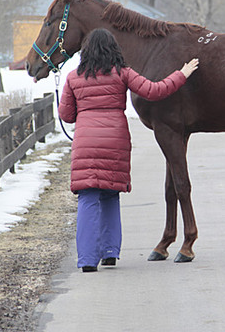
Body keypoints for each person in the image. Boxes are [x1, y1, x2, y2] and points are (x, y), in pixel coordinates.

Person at [58, 28, 199, 272]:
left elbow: (66, 116)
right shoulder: (122, 73)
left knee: (89, 198)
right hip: (115, 141)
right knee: (111, 195)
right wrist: (182, 74)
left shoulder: (73, 77)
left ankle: (88, 260)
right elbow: (155, 91)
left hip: (86, 142)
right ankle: (110, 253)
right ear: (113, 49)